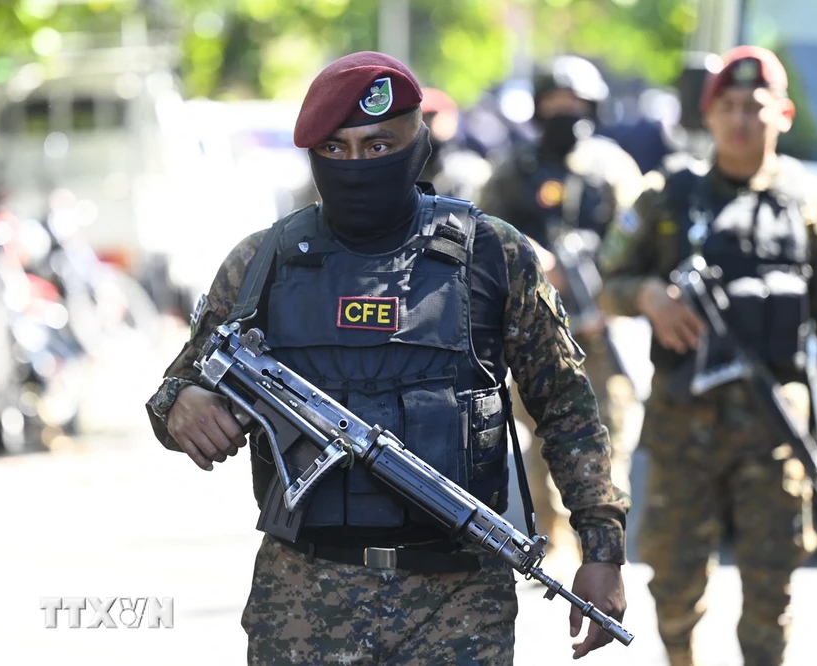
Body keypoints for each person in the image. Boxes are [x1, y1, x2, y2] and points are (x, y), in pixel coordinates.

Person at [145, 51, 628, 665]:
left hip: (459, 603)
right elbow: (179, 383)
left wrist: (602, 547)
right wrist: (182, 405)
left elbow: (566, 406)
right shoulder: (264, 262)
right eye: (336, 150)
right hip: (302, 598)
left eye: (378, 146)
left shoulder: (491, 255)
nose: (356, 164)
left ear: (419, 143)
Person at [599, 46, 817, 666]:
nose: (741, 119)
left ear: (784, 114)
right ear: (708, 114)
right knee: (672, 578)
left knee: (771, 583)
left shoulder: (811, 205)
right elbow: (608, 283)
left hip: (774, 429)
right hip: (681, 427)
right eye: (728, 107)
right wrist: (649, 295)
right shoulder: (667, 195)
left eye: (755, 106)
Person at [478, 54, 643, 575]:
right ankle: (554, 539)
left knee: (609, 437)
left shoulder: (614, 169)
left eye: (574, 104)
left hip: (599, 327)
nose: (564, 112)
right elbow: (484, 237)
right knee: (543, 437)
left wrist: (600, 281)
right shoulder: (514, 171)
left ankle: (605, 545)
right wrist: (531, 258)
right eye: (554, 103)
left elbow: (637, 241)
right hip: (534, 332)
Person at [419, 87, 494, 201]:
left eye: (431, 116)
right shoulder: (412, 160)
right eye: (420, 118)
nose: (426, 124)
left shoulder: (467, 164)